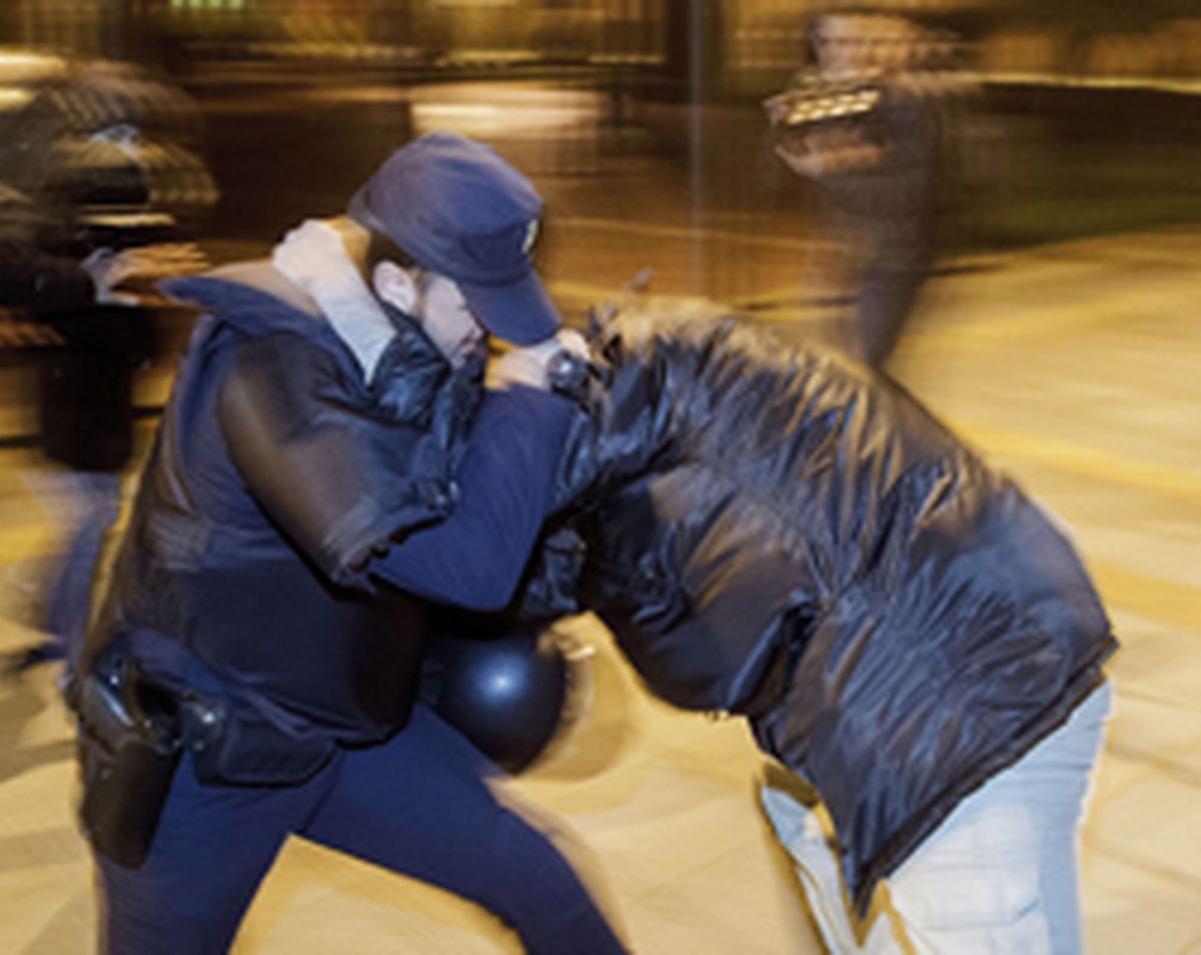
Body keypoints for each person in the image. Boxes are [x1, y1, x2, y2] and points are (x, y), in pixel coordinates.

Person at [78, 132, 628, 954]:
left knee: (544, 882)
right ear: (398, 282)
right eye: (475, 304)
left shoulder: (397, 332)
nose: (490, 333)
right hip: (208, 756)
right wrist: (527, 402)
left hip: (342, 725)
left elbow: (449, 461)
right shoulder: (268, 366)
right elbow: (465, 565)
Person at [519, 298, 1116, 953]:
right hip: (1040, 615)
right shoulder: (677, 345)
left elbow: (707, 669)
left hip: (947, 733)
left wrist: (560, 570)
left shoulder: (614, 519)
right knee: (793, 803)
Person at [767, 11, 944, 371]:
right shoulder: (824, 93)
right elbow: (780, 163)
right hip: (841, 253)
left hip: (895, 255)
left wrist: (834, 165)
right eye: (829, 43)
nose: (841, 53)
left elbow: (912, 189)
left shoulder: (907, 101)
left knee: (865, 367)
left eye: (853, 42)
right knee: (836, 366)